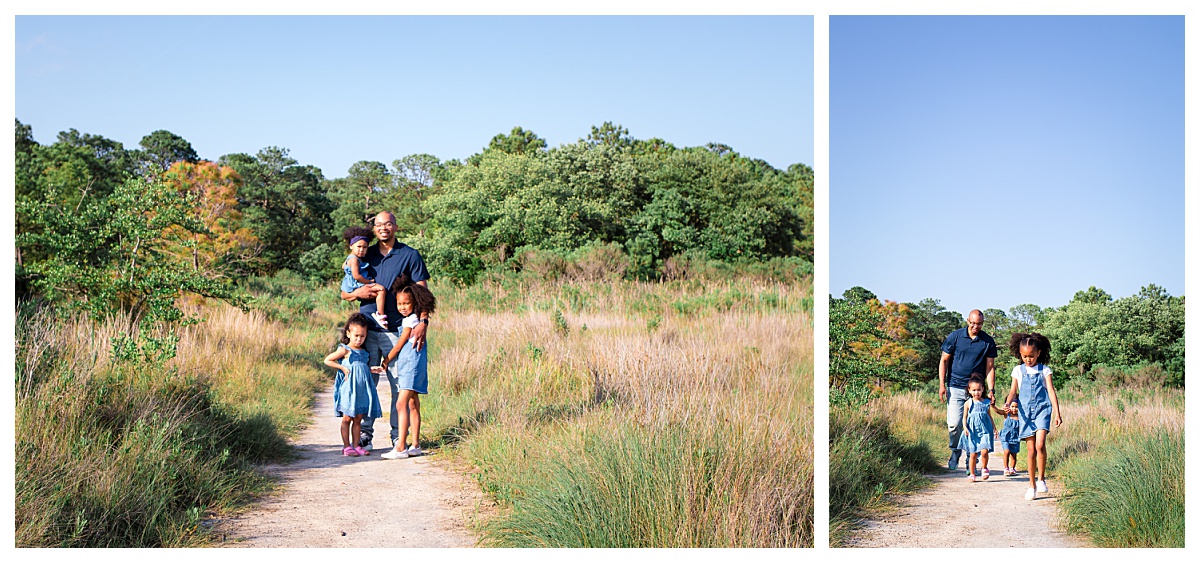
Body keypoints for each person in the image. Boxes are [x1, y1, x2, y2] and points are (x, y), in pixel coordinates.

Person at [339, 211, 432, 451]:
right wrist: (357, 294)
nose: (383, 228)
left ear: (395, 227)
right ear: (374, 229)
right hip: (366, 331)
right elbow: (345, 293)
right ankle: (365, 435)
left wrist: (423, 321)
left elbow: (423, 291)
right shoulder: (363, 253)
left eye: (388, 224)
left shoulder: (409, 255)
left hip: (398, 330)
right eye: (379, 224)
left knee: (399, 384)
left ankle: (397, 435)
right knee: (364, 382)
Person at [378, 275, 437, 460]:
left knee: (401, 403)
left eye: (406, 303)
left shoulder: (409, 321)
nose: (402, 307)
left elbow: (398, 345)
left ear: (415, 303)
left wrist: (386, 360)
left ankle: (401, 447)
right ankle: (415, 445)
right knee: (412, 403)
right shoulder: (415, 320)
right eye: (399, 303)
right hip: (414, 364)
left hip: (410, 365)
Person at [1003, 332, 1063, 500]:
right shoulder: (1018, 370)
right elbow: (1013, 391)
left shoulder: (1045, 370)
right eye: (1024, 356)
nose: (1028, 359)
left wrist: (1057, 413)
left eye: (1031, 356)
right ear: (1020, 354)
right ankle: (1031, 485)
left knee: (1040, 444)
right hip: (1025, 413)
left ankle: (1041, 479)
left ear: (1038, 353)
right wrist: (1007, 403)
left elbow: (1051, 391)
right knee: (1030, 450)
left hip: (1042, 410)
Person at [938, 309, 998, 470]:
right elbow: (944, 360)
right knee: (954, 424)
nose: (976, 327)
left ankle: (971, 461)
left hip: (976, 390)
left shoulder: (987, 341)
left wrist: (991, 390)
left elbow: (990, 367)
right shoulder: (955, 337)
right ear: (967, 321)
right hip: (955, 386)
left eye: (979, 324)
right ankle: (955, 451)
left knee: (977, 425)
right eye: (973, 323)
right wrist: (942, 384)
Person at [322, 313, 384, 457]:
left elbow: (360, 368)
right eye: (356, 335)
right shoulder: (345, 349)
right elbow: (327, 360)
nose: (359, 339)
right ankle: (346, 447)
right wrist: (342, 368)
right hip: (349, 391)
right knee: (347, 418)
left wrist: (371, 369)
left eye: (362, 336)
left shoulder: (364, 352)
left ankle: (356, 446)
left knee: (357, 419)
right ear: (348, 333)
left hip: (361, 392)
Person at [340, 226, 389, 329]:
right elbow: (356, 276)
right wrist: (368, 281)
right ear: (351, 246)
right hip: (358, 283)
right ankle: (380, 315)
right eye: (359, 247)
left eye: (365, 247)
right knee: (381, 290)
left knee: (378, 292)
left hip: (354, 284)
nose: (361, 250)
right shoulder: (354, 260)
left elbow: (343, 266)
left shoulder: (352, 258)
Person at [957, 374, 1000, 482]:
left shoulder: (986, 402)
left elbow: (989, 416)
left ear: (983, 389)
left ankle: (984, 468)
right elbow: (964, 417)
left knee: (985, 451)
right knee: (973, 454)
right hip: (972, 431)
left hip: (985, 430)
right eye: (974, 390)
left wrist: (994, 428)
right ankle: (972, 473)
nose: (976, 392)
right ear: (969, 390)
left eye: (979, 390)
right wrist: (965, 427)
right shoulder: (968, 403)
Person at [998, 396, 1022, 476]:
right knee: (1007, 451)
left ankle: (1012, 468)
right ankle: (1006, 468)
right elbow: (998, 411)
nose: (1014, 409)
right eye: (1012, 406)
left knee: (1014, 455)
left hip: (1015, 438)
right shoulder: (1006, 414)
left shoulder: (1020, 416)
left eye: (1016, 407)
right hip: (1006, 437)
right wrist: (993, 406)